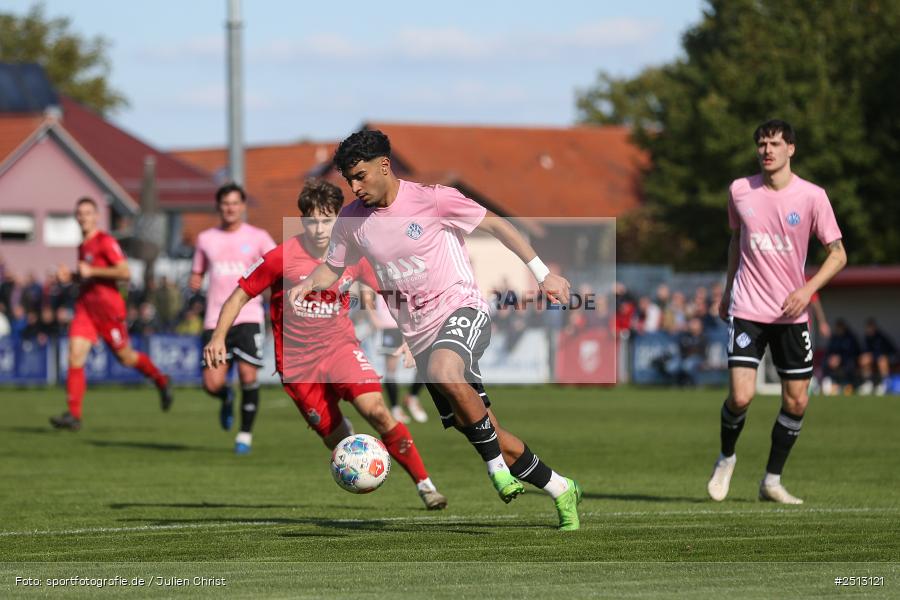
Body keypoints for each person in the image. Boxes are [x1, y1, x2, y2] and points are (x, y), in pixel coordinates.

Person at [288, 130, 582, 530]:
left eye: (360, 176)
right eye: (349, 180)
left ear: (384, 166)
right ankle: (560, 487)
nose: (354, 188)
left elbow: (498, 226)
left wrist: (543, 274)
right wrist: (308, 284)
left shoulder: (433, 199)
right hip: (421, 337)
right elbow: (332, 268)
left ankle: (496, 470)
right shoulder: (352, 221)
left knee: (448, 374)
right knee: (487, 429)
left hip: (462, 309)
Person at [203, 179, 447, 509]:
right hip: (298, 366)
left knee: (376, 410)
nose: (319, 229)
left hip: (340, 349)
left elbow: (391, 291)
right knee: (338, 441)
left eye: (327, 220)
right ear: (303, 220)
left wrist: (410, 332)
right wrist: (218, 336)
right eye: (312, 221)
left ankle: (425, 484)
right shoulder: (281, 256)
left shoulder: (353, 255)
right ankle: (351, 441)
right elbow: (239, 295)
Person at [708, 119, 847, 504]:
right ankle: (726, 457)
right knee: (740, 397)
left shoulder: (812, 196)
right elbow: (736, 240)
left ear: (791, 149)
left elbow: (838, 254)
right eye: (762, 144)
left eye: (774, 143)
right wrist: (727, 290)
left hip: (791, 313)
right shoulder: (740, 190)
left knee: (797, 400)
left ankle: (771, 480)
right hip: (748, 307)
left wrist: (807, 290)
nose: (766, 150)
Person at [50, 197, 172, 431]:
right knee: (74, 356)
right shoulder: (83, 245)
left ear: (96, 216)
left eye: (88, 213)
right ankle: (73, 415)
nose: (83, 217)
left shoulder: (105, 241)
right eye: (80, 213)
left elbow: (124, 272)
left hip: (109, 311)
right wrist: (72, 277)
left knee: (125, 358)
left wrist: (91, 270)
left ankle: (160, 379)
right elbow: (89, 276)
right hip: (86, 309)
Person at [190, 183, 277, 454]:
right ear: (219, 206)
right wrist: (194, 283)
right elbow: (197, 272)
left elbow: (278, 266)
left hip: (249, 315)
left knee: (248, 375)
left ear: (243, 206)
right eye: (226, 203)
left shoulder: (259, 237)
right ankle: (226, 395)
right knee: (211, 383)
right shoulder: (205, 239)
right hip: (215, 320)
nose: (230, 208)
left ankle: (245, 436)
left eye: (235, 203)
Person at [821, 318, 861, 395]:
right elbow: (829, 351)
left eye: (840, 327)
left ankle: (848, 385)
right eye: (837, 327)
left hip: (847, 361)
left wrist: (840, 359)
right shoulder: (834, 338)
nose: (838, 329)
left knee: (850, 365)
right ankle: (830, 383)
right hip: (834, 362)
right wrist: (831, 359)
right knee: (826, 362)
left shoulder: (850, 338)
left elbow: (853, 352)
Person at [858, 318, 896, 395]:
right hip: (874, 359)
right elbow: (865, 351)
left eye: (871, 327)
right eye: (868, 328)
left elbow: (883, 352)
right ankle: (868, 383)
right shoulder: (867, 338)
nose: (869, 329)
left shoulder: (880, 337)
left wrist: (872, 356)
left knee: (882, 360)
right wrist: (870, 356)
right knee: (864, 359)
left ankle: (885, 383)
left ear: (874, 327)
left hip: (889, 358)